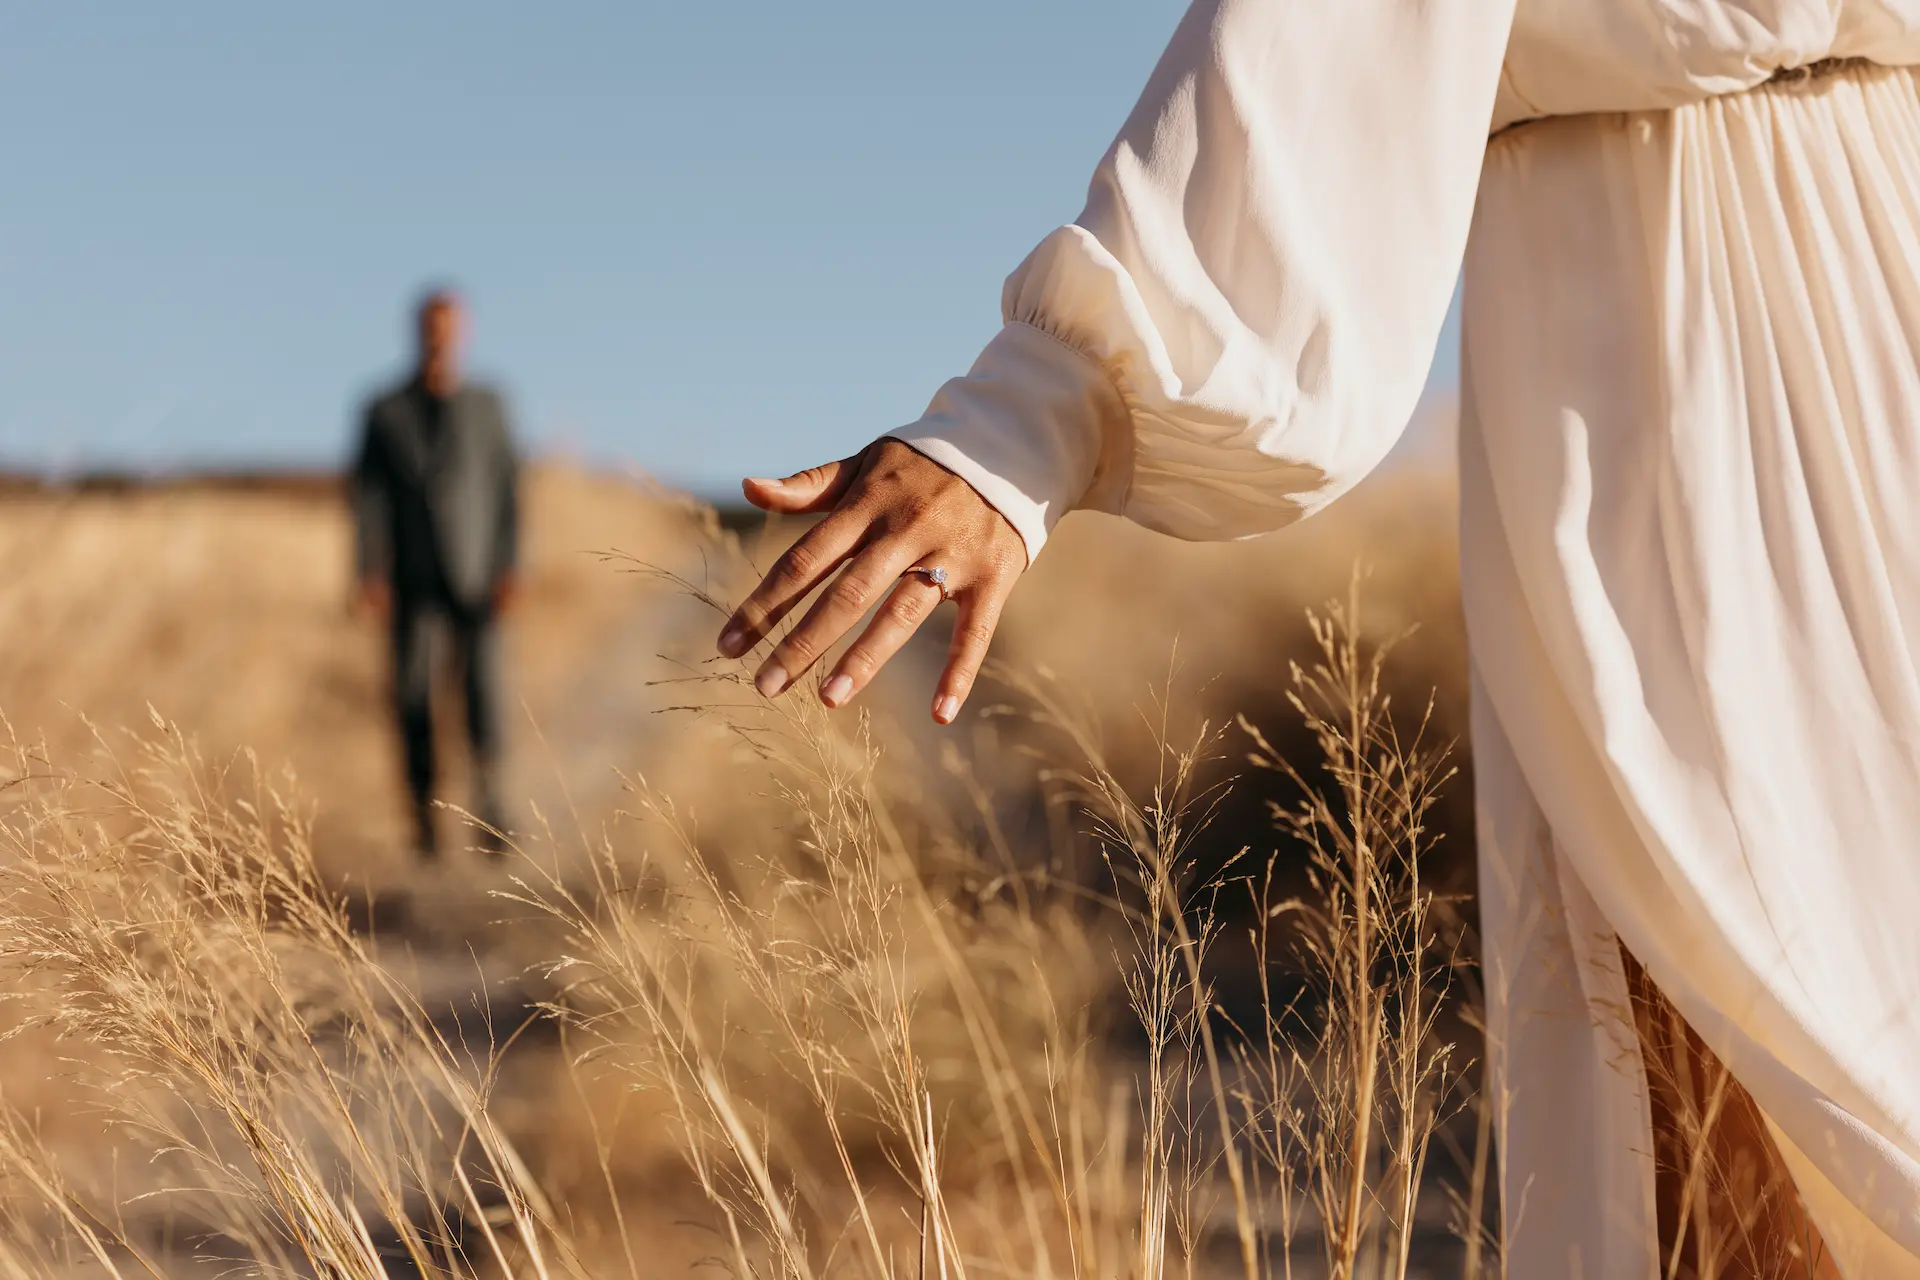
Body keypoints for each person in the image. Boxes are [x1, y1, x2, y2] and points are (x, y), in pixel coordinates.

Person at [718, 3, 1920, 1275]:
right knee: (1715, 982)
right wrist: (1031, 414)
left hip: (1767, 307)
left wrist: (1027, 418)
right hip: (1669, 331)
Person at [351, 288, 520, 858]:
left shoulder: (489, 404)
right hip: (411, 579)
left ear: (464, 332)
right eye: (431, 327)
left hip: (477, 576)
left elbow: (507, 489)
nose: (439, 338)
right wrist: (368, 573)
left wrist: (509, 564)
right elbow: (367, 500)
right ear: (416, 331)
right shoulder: (381, 410)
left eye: (449, 327)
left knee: (483, 695)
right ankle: (424, 819)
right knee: (414, 695)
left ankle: (491, 809)